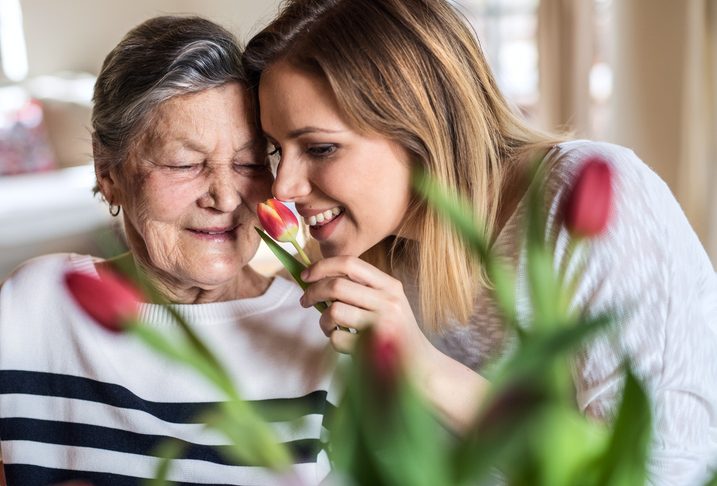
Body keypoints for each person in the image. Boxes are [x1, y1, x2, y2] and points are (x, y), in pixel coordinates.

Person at [241, 0, 717, 484]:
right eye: (278, 150)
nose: (284, 187)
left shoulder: (584, 200)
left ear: (418, 122)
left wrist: (422, 366)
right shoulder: (377, 252)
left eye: (320, 148)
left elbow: (656, 471)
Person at [0, 16, 342, 486]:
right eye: (185, 163)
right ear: (108, 172)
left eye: (249, 162)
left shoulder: (321, 330)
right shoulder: (33, 307)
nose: (225, 197)